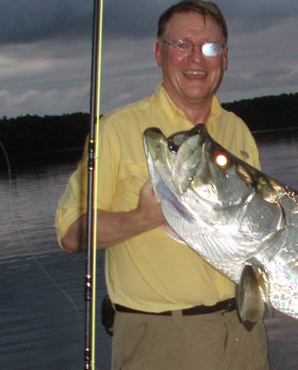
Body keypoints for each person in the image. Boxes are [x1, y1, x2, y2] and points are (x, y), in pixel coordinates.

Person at [54, 2, 269, 369]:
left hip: (244, 334)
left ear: (225, 58)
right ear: (159, 53)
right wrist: (142, 218)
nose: (197, 58)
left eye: (210, 47)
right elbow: (71, 234)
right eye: (182, 44)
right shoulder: (117, 130)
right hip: (160, 338)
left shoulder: (238, 131)